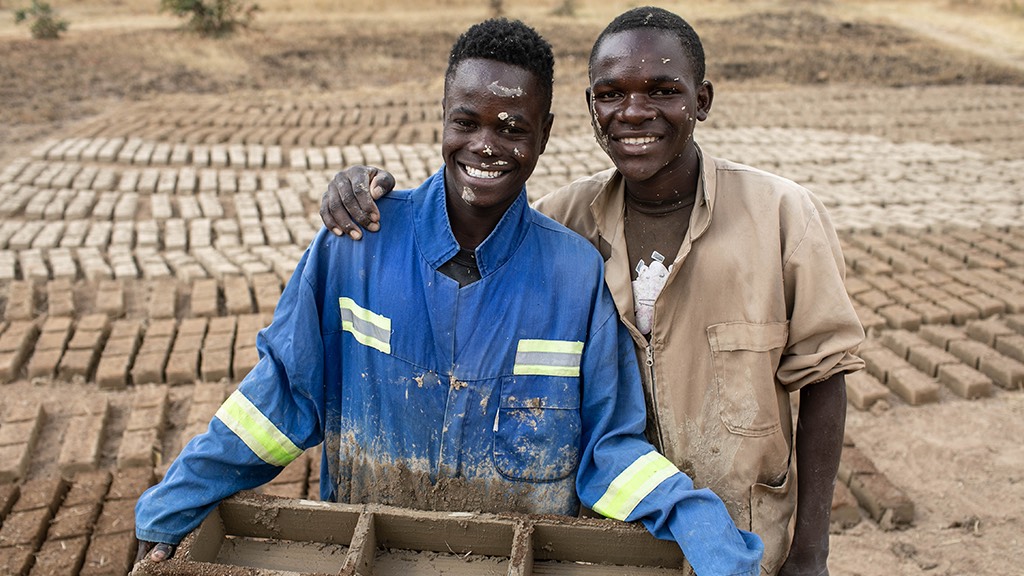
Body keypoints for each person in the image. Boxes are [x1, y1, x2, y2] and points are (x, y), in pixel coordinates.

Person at [133, 17, 763, 576]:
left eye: (513, 127)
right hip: (370, 546)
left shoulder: (575, 277)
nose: (486, 145)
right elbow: (277, 402)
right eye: (467, 122)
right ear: (442, 119)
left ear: (544, 135)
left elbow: (609, 448)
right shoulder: (357, 244)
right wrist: (169, 508)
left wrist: (702, 530)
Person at [319, 7, 865, 576]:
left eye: (663, 91)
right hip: (602, 539)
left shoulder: (781, 217)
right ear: (589, 109)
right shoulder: (562, 227)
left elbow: (825, 378)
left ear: (701, 100)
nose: (634, 112)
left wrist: (811, 550)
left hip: (743, 539)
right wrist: (364, 193)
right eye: (610, 94)